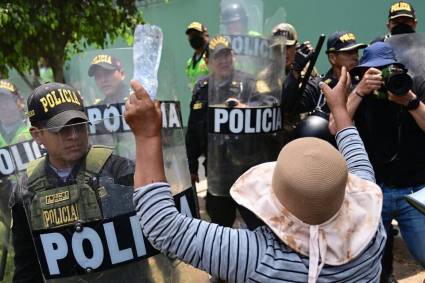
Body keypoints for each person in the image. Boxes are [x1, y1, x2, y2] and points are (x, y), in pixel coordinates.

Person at [126, 67, 386, 283]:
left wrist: (148, 135)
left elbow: (163, 225)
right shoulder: (373, 229)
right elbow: (356, 156)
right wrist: (339, 109)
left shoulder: (262, 259)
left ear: (279, 205)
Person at [10, 82, 138, 282]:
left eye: (79, 125)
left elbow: (144, 251)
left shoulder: (118, 171)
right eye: (61, 129)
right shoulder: (26, 192)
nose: (74, 136)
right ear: (37, 135)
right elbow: (28, 268)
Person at [346, 41, 425, 281]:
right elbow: (333, 125)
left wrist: (409, 100)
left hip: (412, 190)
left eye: (386, 71)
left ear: (397, 70)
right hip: (373, 192)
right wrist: (359, 91)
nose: (381, 78)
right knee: (370, 261)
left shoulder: (412, 88)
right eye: (373, 72)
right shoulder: (360, 95)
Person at [281, 31, 366, 142]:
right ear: (332, 58)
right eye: (348, 53)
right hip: (329, 153)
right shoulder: (319, 86)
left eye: (356, 52)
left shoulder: (364, 84)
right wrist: (296, 70)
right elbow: (288, 107)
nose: (355, 57)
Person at [0, 80, 31, 224]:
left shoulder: (34, 131)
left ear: (19, 102)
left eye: (6, 101)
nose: (2, 106)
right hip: (4, 208)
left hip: (33, 201)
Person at [185, 21, 209, 90]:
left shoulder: (212, 57)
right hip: (197, 98)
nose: (193, 37)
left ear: (205, 35)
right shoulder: (189, 63)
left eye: (196, 34)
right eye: (191, 35)